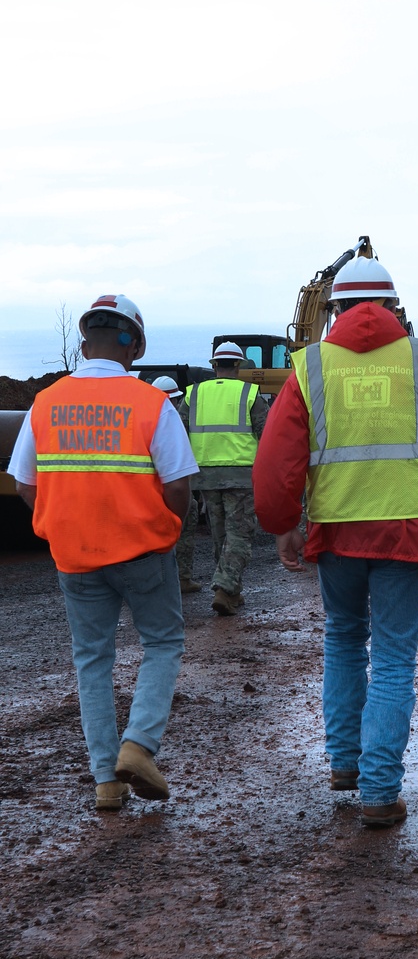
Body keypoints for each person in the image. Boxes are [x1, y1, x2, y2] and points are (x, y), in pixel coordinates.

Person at [253, 255, 418, 828]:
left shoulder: (309, 367)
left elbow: (277, 458)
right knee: (395, 659)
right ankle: (380, 791)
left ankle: (344, 763)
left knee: (345, 639)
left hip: (336, 529)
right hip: (407, 526)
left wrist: (282, 522)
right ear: (392, 307)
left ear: (333, 310)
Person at [8, 294, 197, 809]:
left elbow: (25, 483)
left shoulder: (45, 402)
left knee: (92, 660)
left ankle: (106, 782)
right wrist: (168, 526)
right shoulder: (152, 404)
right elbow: (178, 486)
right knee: (161, 643)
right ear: (134, 344)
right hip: (144, 552)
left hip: (75, 555)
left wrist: (63, 521)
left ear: (82, 341)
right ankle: (137, 747)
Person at [180, 341, 269, 613]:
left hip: (204, 475)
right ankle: (225, 587)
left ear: (214, 365)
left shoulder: (192, 395)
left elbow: (178, 434)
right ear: (239, 365)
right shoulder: (250, 393)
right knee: (239, 534)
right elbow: (267, 434)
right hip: (241, 474)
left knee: (221, 534)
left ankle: (231, 590)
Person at [153, 376, 202, 594]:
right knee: (183, 532)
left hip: (149, 492)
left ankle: (156, 579)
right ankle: (181, 578)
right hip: (174, 488)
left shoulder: (140, 418)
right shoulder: (174, 419)